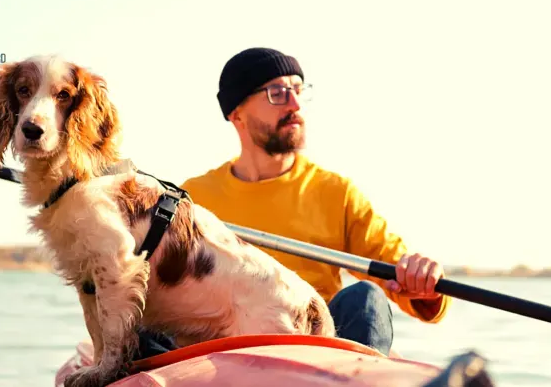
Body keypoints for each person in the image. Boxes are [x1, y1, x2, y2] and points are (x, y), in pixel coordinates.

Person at [179, 47, 452, 356]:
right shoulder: (193, 199)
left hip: (318, 350)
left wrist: (421, 278)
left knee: (366, 297)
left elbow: (399, 275)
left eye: (297, 90)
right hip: (225, 353)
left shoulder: (336, 192)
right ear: (237, 113)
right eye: (277, 93)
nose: (295, 104)